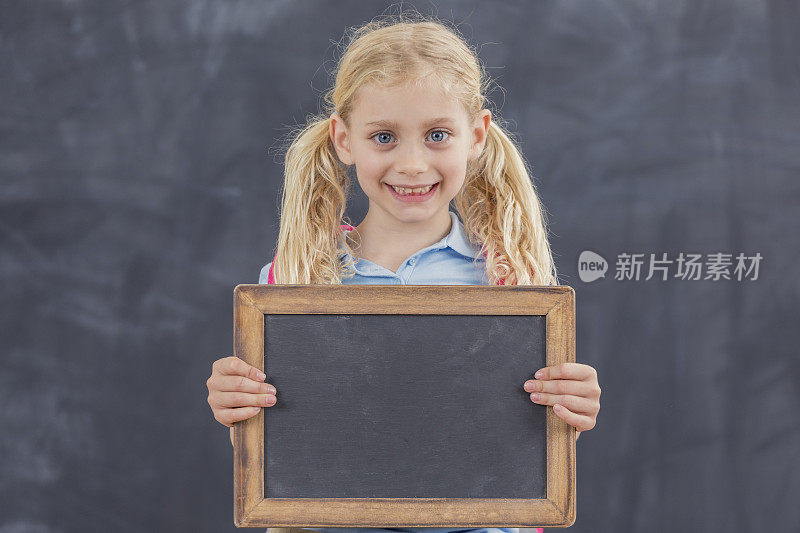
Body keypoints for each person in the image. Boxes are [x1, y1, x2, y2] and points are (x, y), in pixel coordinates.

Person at [206, 13, 601, 533]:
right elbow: (285, 456)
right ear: (344, 140)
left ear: (476, 135)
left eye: (438, 134)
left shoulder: (511, 281)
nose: (413, 164)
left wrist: (570, 408)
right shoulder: (298, 279)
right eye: (384, 137)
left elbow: (521, 451)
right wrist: (238, 407)